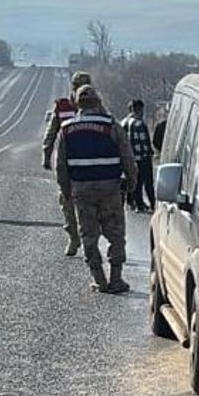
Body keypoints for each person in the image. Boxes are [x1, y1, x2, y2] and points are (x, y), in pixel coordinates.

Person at [54, 85, 138, 294]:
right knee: (116, 233)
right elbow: (127, 157)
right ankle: (116, 279)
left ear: (77, 103)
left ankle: (99, 279)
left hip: (81, 190)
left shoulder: (66, 128)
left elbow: (60, 166)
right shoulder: (111, 125)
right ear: (97, 102)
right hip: (110, 188)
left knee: (88, 235)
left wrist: (66, 190)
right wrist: (132, 180)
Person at [42, 71, 93, 256]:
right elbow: (52, 132)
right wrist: (46, 154)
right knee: (67, 201)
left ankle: (90, 240)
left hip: (89, 162)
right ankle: (74, 238)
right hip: (67, 162)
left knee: (91, 203)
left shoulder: (97, 106)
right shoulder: (63, 106)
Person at [121, 99, 154, 212]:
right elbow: (144, 142)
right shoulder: (139, 123)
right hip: (142, 157)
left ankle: (134, 202)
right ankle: (150, 204)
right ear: (139, 109)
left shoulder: (124, 122)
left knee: (134, 181)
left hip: (130, 157)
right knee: (146, 182)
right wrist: (149, 152)